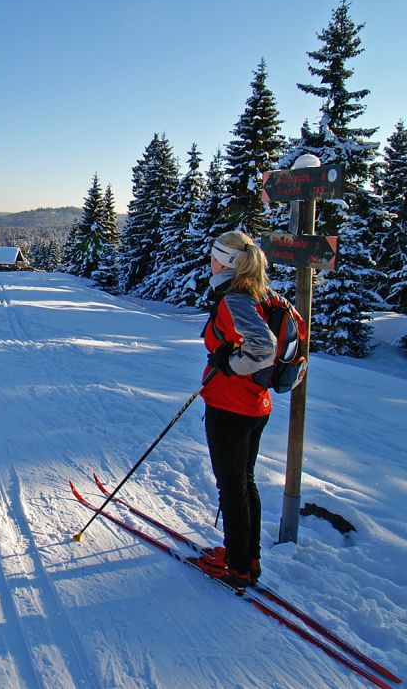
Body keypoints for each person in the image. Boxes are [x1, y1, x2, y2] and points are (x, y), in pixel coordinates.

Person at [188, 230, 278, 593]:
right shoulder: (261, 292)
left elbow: (263, 348)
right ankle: (248, 558)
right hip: (255, 405)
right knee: (244, 483)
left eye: (214, 256)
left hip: (232, 406)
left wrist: (229, 366)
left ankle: (237, 567)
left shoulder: (234, 300)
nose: (210, 262)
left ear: (225, 262)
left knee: (232, 489)